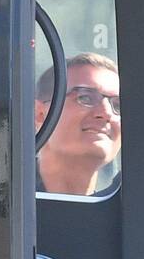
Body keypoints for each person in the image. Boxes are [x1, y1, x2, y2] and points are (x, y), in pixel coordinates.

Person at [34, 53, 121, 196]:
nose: (106, 113)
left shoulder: (119, 213)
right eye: (85, 97)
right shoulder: (3, 202)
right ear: (40, 114)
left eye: (117, 106)